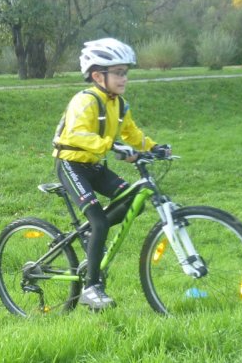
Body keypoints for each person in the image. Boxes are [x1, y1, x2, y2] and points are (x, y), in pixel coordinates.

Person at [52, 38, 171, 311]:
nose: (124, 78)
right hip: (70, 164)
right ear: (97, 75)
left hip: (94, 166)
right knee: (100, 222)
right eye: (118, 73)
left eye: (125, 72)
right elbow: (78, 134)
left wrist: (154, 147)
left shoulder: (119, 104)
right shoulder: (85, 100)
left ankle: (93, 238)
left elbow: (132, 134)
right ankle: (91, 288)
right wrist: (111, 145)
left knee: (132, 200)